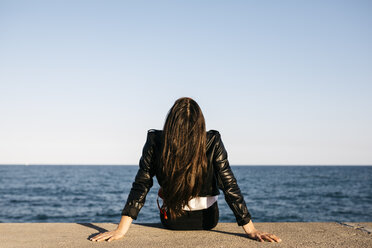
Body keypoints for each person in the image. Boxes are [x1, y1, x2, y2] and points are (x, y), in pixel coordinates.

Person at [90, 97, 281, 243]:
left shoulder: (155, 142)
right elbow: (229, 186)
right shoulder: (213, 141)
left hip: (173, 221)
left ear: (171, 122)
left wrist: (121, 230)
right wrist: (250, 230)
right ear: (200, 123)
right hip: (208, 220)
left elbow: (141, 185)